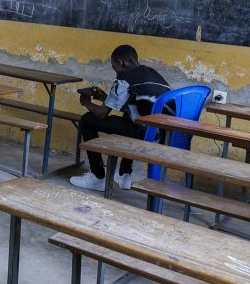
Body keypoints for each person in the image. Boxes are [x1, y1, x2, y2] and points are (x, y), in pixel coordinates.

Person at [69, 44, 172, 191]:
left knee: (87, 120)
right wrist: (103, 97)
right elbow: (135, 104)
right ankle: (124, 175)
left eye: (114, 67)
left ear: (121, 62)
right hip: (163, 134)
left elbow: (102, 113)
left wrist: (87, 103)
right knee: (128, 115)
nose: (115, 72)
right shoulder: (151, 73)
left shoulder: (125, 78)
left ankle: (97, 177)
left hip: (146, 133)